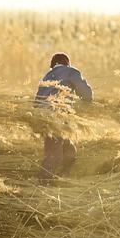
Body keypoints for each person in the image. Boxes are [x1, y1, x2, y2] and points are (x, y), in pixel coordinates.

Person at [34, 52, 93, 181]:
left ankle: (61, 178)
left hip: (45, 118)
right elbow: (86, 94)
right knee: (55, 156)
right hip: (58, 118)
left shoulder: (46, 77)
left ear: (52, 65)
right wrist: (87, 105)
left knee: (69, 153)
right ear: (67, 62)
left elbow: (36, 102)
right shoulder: (71, 71)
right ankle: (44, 183)